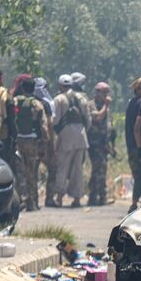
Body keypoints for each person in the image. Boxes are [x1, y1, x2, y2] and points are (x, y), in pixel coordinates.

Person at [52, 74, 90, 208]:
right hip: (81, 137)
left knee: (63, 167)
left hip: (66, 137)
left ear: (60, 86)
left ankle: (60, 198)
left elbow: (55, 120)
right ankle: (77, 199)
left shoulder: (59, 99)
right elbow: (87, 119)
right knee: (77, 169)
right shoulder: (81, 98)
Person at [14, 78, 50, 211]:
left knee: (19, 172)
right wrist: (44, 143)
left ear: (23, 88)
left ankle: (21, 200)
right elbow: (43, 126)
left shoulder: (16, 101)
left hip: (18, 141)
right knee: (32, 172)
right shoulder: (37, 104)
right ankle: (33, 202)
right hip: (32, 142)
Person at [125, 76, 141, 213]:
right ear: (138, 89)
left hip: (131, 146)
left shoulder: (131, 103)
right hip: (139, 146)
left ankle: (134, 203)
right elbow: (137, 129)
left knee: (137, 176)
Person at [86, 82, 113, 206]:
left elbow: (108, 125)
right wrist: (106, 106)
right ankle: (97, 196)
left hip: (103, 143)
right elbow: (97, 118)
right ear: (97, 93)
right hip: (94, 142)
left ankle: (98, 196)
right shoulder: (91, 105)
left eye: (107, 92)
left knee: (101, 169)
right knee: (99, 168)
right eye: (104, 92)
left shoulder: (104, 106)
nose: (106, 95)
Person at [34, 77, 59, 207]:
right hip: (45, 142)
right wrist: (51, 145)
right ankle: (49, 198)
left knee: (32, 171)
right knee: (53, 168)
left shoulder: (30, 102)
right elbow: (49, 125)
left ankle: (33, 200)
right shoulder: (46, 104)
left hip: (31, 142)